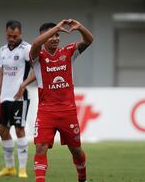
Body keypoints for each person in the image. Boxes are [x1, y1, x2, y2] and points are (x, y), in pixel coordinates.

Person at [30, 19, 93, 182]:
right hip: (46, 111)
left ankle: (82, 178)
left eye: (58, 35)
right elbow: (36, 44)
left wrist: (80, 28)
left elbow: (89, 40)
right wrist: (56, 27)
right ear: (44, 37)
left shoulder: (68, 52)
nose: (56, 38)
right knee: (40, 148)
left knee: (76, 150)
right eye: (52, 35)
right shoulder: (37, 56)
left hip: (68, 111)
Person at [0, 20, 33, 178]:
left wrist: (23, 85)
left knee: (19, 129)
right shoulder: (2, 50)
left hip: (19, 97)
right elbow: (0, 72)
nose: (12, 38)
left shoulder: (26, 49)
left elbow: (37, 68)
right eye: (9, 35)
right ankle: (10, 167)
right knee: (2, 131)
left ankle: (22, 168)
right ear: (6, 33)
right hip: (4, 97)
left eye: (15, 36)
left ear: (20, 34)